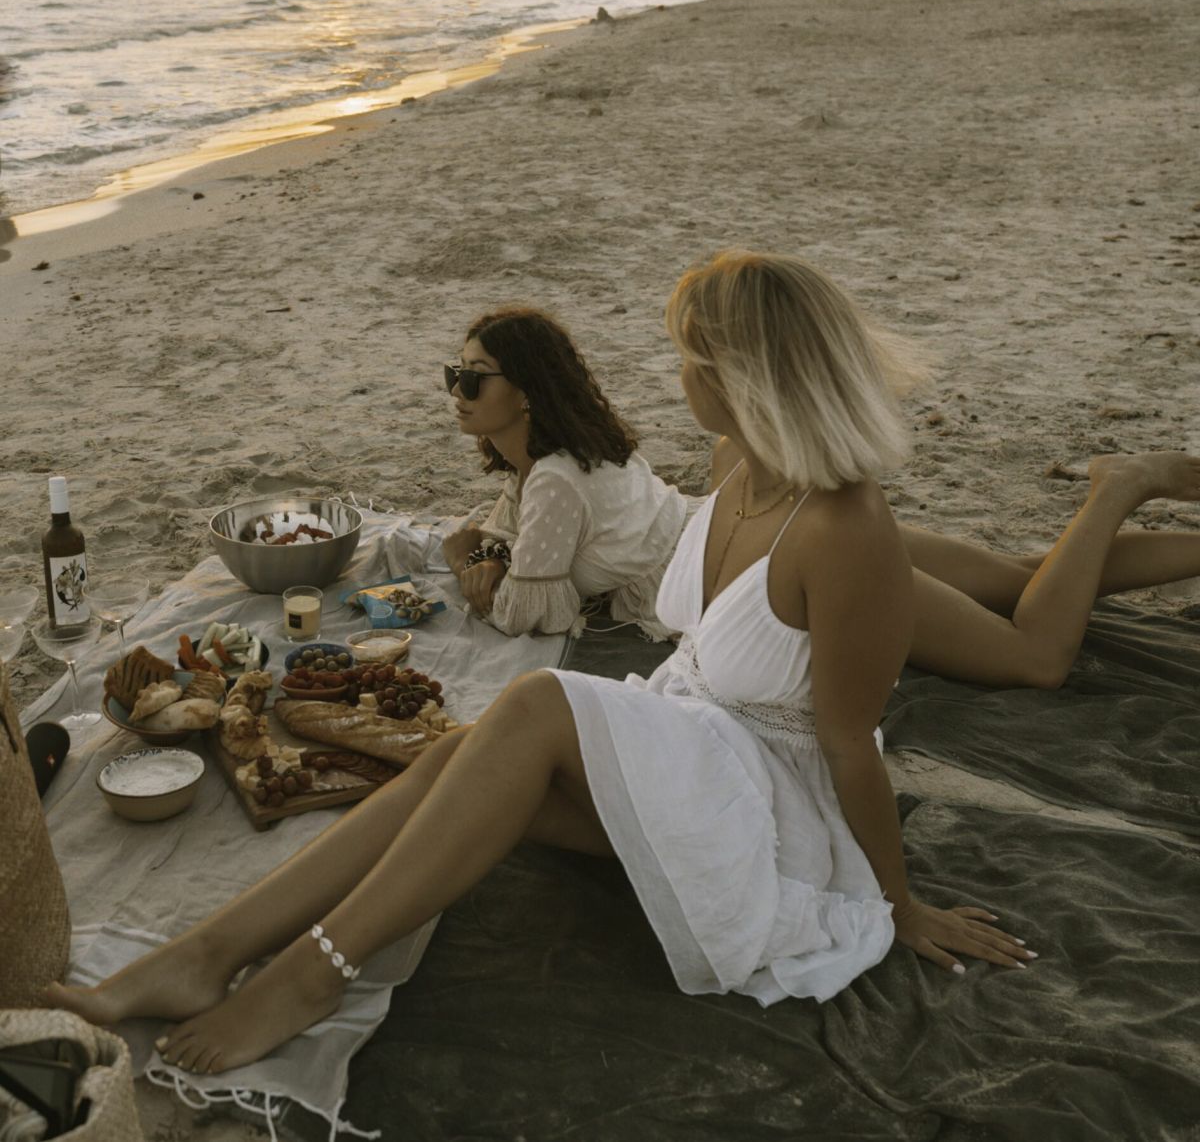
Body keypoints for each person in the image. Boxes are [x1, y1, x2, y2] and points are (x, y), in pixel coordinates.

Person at [47, 251, 1040, 1076]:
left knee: (532, 703)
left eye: (687, 357)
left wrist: (897, 905)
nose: (678, 375)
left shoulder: (848, 529)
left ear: (740, 373)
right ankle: (208, 951)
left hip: (767, 810)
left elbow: (849, 745)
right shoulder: (737, 464)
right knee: (456, 751)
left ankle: (310, 974)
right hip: (694, 751)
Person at [439, 307, 689, 639]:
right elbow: (513, 536)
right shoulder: (546, 451)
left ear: (526, 390)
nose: (457, 391)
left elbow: (521, 614)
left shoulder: (555, 477)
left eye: (475, 379)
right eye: (457, 374)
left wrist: (463, 564)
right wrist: (493, 559)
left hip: (695, 577)